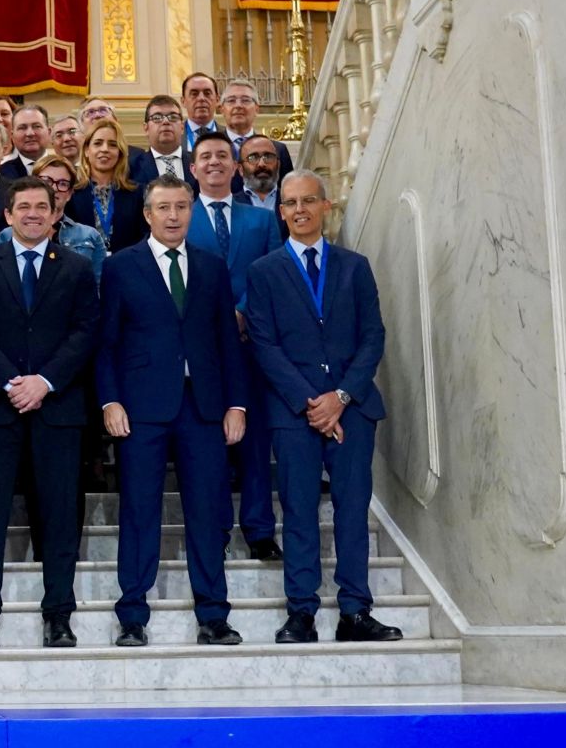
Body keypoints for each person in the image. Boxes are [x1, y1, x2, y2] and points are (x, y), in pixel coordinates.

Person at [245, 170, 403, 645]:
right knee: (297, 513)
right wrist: (311, 402)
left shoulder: (355, 267)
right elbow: (264, 344)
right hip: (295, 414)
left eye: (307, 201)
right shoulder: (264, 272)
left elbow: (373, 337)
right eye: (289, 202)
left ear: (325, 206)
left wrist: (341, 398)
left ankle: (355, 611)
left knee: (352, 512)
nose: (298, 210)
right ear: (281, 211)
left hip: (352, 410)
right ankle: (302, 613)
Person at [98, 176, 248, 646]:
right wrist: (110, 399)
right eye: (163, 207)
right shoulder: (121, 267)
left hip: (203, 407)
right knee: (140, 511)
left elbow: (228, 341)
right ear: (147, 214)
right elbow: (106, 343)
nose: (173, 216)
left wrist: (236, 403)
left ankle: (213, 615)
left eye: (182, 206)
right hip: (141, 407)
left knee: (207, 510)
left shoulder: (211, 266)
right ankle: (132, 616)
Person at [0, 177, 100, 648]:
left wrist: (45, 382)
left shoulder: (77, 268)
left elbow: (85, 332)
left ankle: (59, 614)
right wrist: (10, 381)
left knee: (59, 519)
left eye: (44, 206)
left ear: (56, 214)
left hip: (57, 410)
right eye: (24, 207)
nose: (34, 214)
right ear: (8, 215)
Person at [188, 134, 282, 559]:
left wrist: (240, 312)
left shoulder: (260, 221)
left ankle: (260, 529)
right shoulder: (178, 217)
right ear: (193, 168)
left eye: (222, 156)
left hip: (251, 345)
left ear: (236, 167)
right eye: (205, 156)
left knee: (256, 441)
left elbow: (275, 274)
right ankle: (217, 531)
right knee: (210, 445)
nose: (214, 162)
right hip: (200, 350)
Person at [0, 154, 105, 282]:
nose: (53, 188)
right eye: (46, 181)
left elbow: (97, 288)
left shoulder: (90, 236)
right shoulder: (8, 235)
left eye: (63, 183)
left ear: (70, 193)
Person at [68, 119, 148, 253]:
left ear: (120, 152)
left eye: (112, 145)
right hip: (84, 268)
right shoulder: (72, 192)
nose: (104, 149)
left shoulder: (138, 193)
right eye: (98, 143)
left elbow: (144, 239)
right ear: (87, 150)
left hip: (125, 267)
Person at [221, 79, 296, 184]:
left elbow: (287, 190)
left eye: (245, 100)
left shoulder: (278, 149)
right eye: (231, 100)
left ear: (257, 109)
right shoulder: (211, 150)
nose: (238, 105)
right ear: (222, 109)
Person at [132, 93, 190, 186]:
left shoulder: (197, 162)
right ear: (146, 128)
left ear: (182, 127)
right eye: (157, 118)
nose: (166, 122)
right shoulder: (132, 168)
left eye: (173, 117)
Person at [239, 132, 288, 235]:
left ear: (278, 165)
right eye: (253, 158)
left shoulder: (292, 202)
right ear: (240, 169)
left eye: (268, 157)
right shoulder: (229, 206)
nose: (262, 164)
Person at [181, 72, 222, 144]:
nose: (201, 98)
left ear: (217, 100)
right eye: (194, 94)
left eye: (207, 93)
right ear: (183, 101)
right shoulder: (173, 137)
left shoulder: (230, 138)